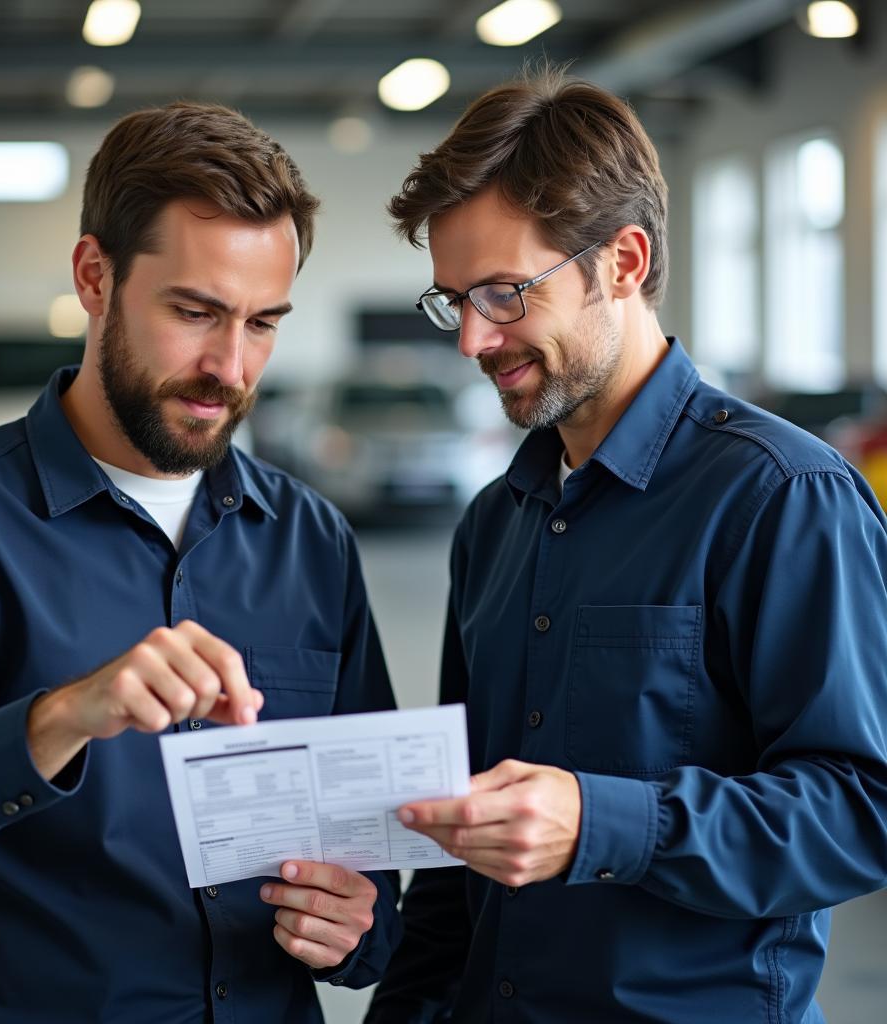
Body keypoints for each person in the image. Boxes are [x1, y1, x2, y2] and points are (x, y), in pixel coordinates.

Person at [365, 67, 887, 1024]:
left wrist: (605, 822)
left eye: (504, 293)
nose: (473, 341)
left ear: (624, 261)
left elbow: (861, 810)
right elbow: (455, 849)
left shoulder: (780, 496)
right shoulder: (495, 522)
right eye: (452, 301)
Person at [0, 102, 401, 1024]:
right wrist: (62, 717)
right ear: (94, 276)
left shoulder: (311, 540)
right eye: (194, 312)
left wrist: (361, 921)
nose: (230, 367)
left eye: (263, 323)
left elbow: (370, 857)